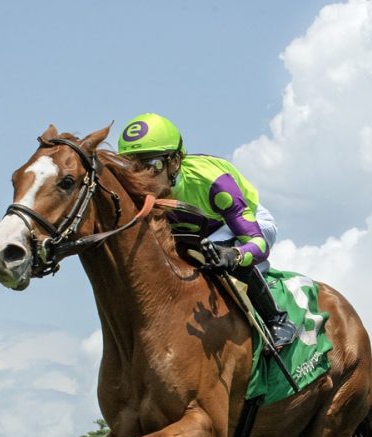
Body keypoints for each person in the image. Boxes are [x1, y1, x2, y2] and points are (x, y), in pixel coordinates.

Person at [117, 113, 297, 348]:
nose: (142, 179)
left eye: (152, 165)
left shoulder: (214, 183)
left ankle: (277, 320)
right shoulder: (137, 191)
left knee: (216, 248)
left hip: (247, 225)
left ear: (174, 162)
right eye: (133, 167)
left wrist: (234, 255)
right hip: (197, 231)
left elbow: (258, 245)